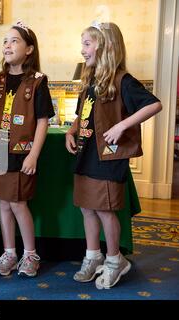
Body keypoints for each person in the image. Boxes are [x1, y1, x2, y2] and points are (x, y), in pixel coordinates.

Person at [65, 22, 162, 289]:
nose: (82, 50)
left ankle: (114, 260)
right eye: (82, 43)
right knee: (87, 207)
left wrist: (122, 125)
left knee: (105, 211)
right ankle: (93, 256)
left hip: (108, 157)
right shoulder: (90, 81)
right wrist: (71, 131)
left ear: (105, 46)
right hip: (86, 154)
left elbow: (154, 104)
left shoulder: (123, 80)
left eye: (87, 44)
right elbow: (81, 115)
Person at [0, 22, 54, 277]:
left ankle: (30, 254)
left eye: (14, 40)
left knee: (17, 204)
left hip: (22, 153)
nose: (7, 45)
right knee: (3, 205)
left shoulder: (37, 81)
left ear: (29, 49)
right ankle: (10, 252)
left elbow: (42, 120)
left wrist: (34, 154)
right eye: (5, 41)